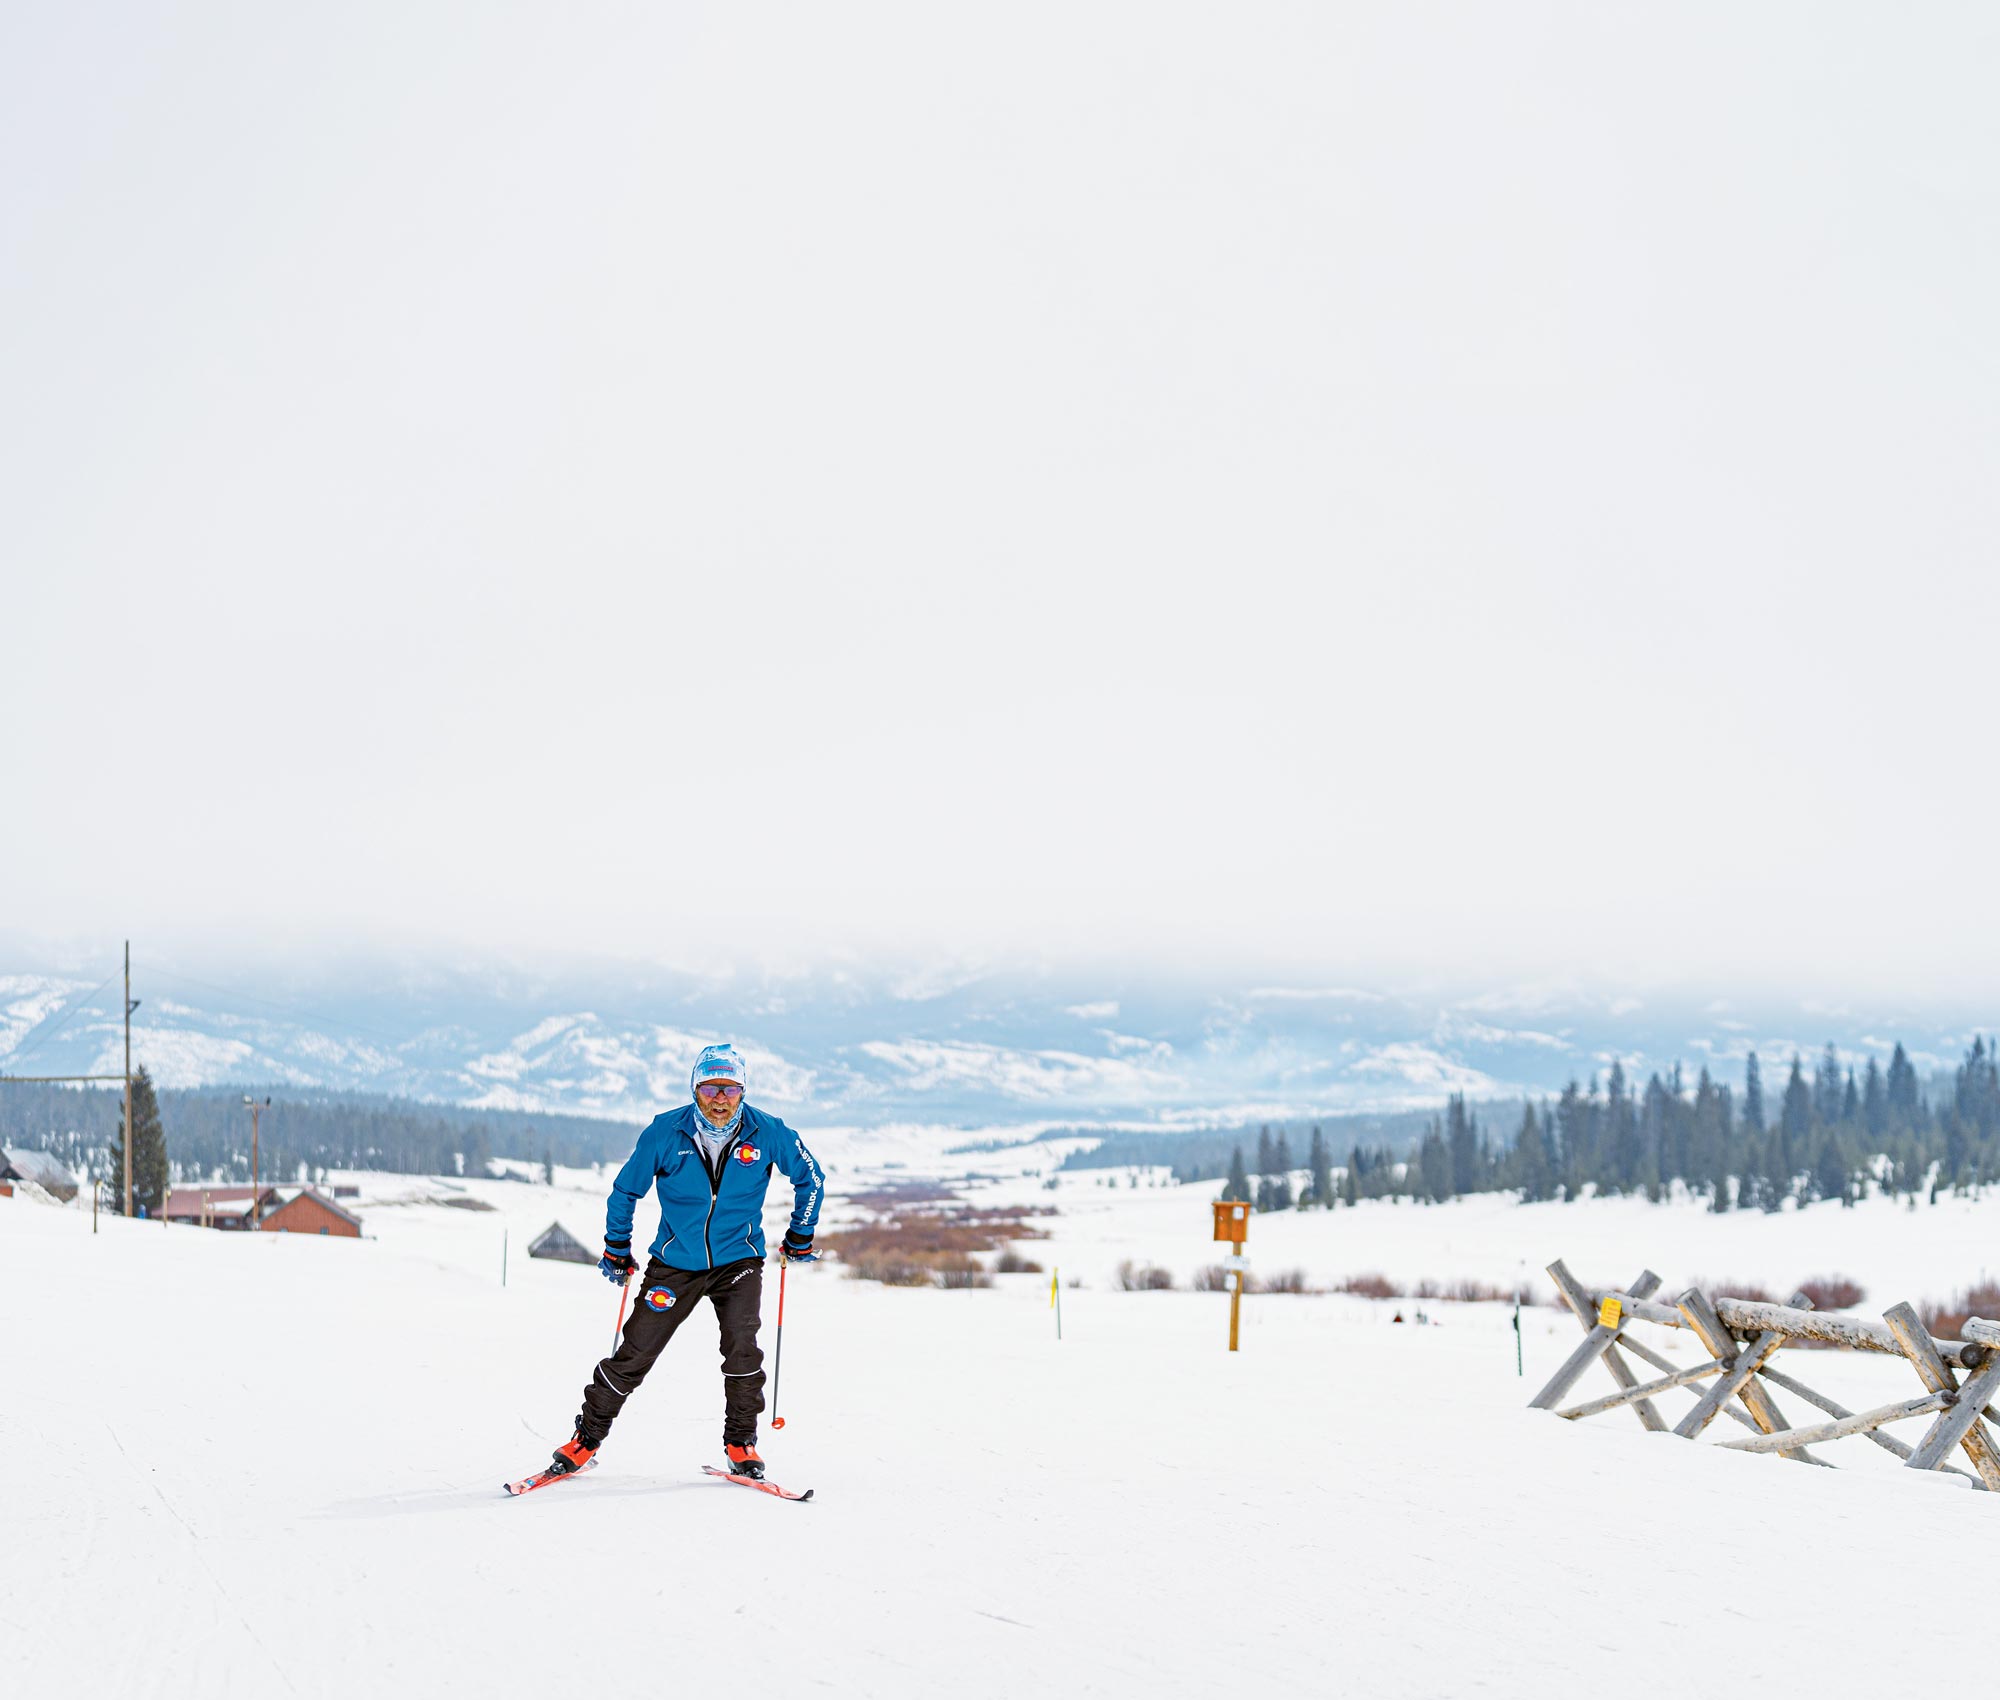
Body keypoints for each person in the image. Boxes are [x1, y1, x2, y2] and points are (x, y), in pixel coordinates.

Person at [544, 1042, 824, 1483]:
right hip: (675, 1262)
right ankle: (584, 1441)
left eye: (730, 1089)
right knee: (635, 1352)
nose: (720, 1098)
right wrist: (617, 1247)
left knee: (742, 1348)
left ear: (743, 1091)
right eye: (711, 1087)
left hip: (739, 1260)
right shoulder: (664, 1132)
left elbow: (811, 1177)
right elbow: (625, 1191)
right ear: (695, 1088)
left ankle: (741, 1443)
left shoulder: (769, 1131)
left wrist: (800, 1235)